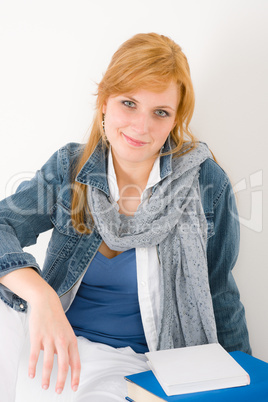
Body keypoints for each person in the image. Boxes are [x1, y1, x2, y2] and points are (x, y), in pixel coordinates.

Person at [0, 32, 251, 402]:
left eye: (160, 112)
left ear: (175, 119)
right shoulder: (70, 168)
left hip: (135, 365)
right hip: (53, 337)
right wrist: (42, 299)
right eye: (129, 103)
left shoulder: (205, 184)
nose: (141, 126)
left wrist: (245, 376)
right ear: (104, 101)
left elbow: (218, 293)